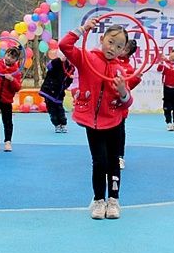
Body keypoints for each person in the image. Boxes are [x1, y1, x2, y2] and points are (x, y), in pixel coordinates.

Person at [59, 18, 133, 220]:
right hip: (93, 122)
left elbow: (126, 102)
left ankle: (114, 200)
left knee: (113, 163)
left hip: (114, 121)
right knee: (99, 162)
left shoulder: (120, 70)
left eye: (119, 46)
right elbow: (64, 45)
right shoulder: (86, 58)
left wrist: (122, 91)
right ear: (102, 39)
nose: (113, 48)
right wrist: (82, 29)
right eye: (110, 42)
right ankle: (99, 200)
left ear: (123, 50)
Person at [117, 39, 142, 169]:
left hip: (120, 108)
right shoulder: (109, 61)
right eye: (121, 46)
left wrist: (136, 79)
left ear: (128, 54)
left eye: (125, 49)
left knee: (120, 132)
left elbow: (128, 88)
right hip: (105, 106)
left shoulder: (129, 69)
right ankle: (106, 156)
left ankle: (119, 157)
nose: (121, 50)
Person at [39, 51, 75, 133]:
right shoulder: (58, 62)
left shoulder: (71, 68)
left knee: (60, 109)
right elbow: (49, 66)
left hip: (59, 92)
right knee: (52, 110)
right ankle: (57, 125)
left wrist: (66, 84)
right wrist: (58, 60)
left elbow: (69, 80)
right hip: (49, 90)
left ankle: (63, 124)